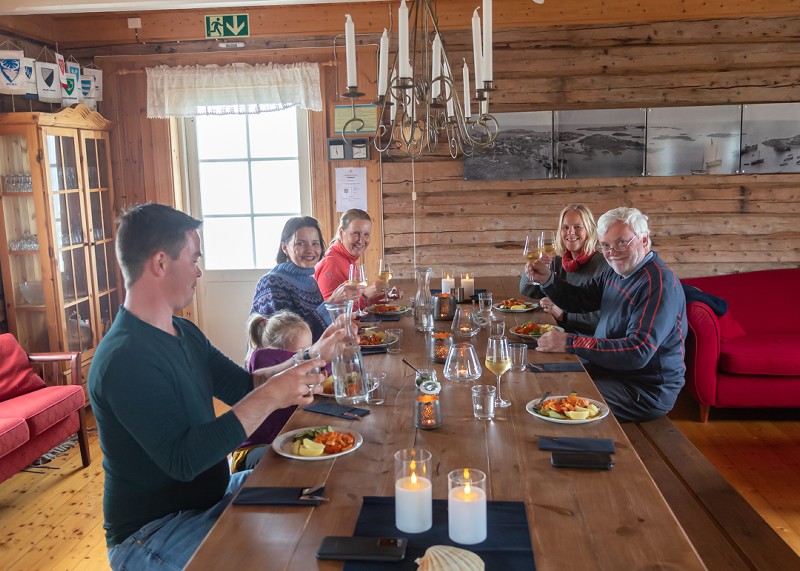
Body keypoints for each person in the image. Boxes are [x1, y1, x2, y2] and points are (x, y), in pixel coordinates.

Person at [88, 204, 346, 570]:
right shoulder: (124, 357)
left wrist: (311, 354)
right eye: (193, 259)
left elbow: (244, 386)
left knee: (327, 491)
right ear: (160, 263)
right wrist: (273, 395)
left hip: (212, 497)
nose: (198, 270)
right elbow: (185, 459)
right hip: (154, 530)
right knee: (288, 560)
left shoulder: (184, 332)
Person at [528, 206, 686, 423]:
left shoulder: (658, 283)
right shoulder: (616, 272)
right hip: (609, 371)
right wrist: (547, 279)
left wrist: (571, 342)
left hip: (643, 390)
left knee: (554, 406)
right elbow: (579, 299)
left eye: (622, 242)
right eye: (606, 245)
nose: (612, 252)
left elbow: (637, 351)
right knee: (538, 381)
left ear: (644, 240)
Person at [233, 310, 316, 472]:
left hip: (284, 440)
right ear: (274, 352)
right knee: (294, 458)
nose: (308, 355)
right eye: (302, 351)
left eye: (310, 348)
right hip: (252, 452)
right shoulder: (261, 360)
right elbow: (309, 361)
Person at [250, 216, 352, 341]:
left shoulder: (311, 282)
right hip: (283, 360)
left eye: (315, 243)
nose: (310, 250)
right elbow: (287, 340)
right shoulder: (271, 283)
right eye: (301, 243)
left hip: (313, 356)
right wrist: (330, 303)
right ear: (284, 248)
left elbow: (321, 330)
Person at [520, 204, 608, 335]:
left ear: (590, 230)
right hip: (558, 332)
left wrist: (563, 314)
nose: (571, 232)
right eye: (565, 227)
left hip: (587, 340)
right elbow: (527, 291)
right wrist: (533, 269)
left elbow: (604, 317)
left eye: (577, 227)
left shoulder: (604, 265)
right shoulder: (557, 261)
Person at [314, 209, 391, 307]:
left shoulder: (348, 258)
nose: (361, 241)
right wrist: (365, 295)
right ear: (341, 233)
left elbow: (355, 302)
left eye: (366, 234)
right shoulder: (331, 263)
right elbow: (332, 313)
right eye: (356, 233)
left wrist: (384, 297)